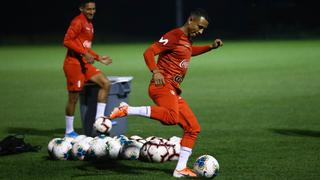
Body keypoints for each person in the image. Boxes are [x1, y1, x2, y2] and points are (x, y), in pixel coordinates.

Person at [110, 9, 223, 177]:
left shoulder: (187, 39)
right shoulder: (175, 35)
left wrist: (210, 47)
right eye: (199, 27)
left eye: (204, 29)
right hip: (161, 85)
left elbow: (189, 52)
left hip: (173, 89)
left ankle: (180, 169)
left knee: (193, 128)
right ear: (190, 20)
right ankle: (127, 110)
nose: (201, 31)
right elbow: (149, 52)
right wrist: (155, 71)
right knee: (171, 117)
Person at [63, 0, 112, 138]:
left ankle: (99, 123)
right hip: (73, 65)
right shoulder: (77, 22)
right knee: (73, 99)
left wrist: (98, 58)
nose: (92, 12)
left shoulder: (89, 24)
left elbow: (86, 47)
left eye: (94, 9)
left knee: (105, 84)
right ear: (81, 9)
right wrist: (85, 53)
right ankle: (68, 131)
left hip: (85, 64)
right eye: (89, 9)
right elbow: (67, 41)